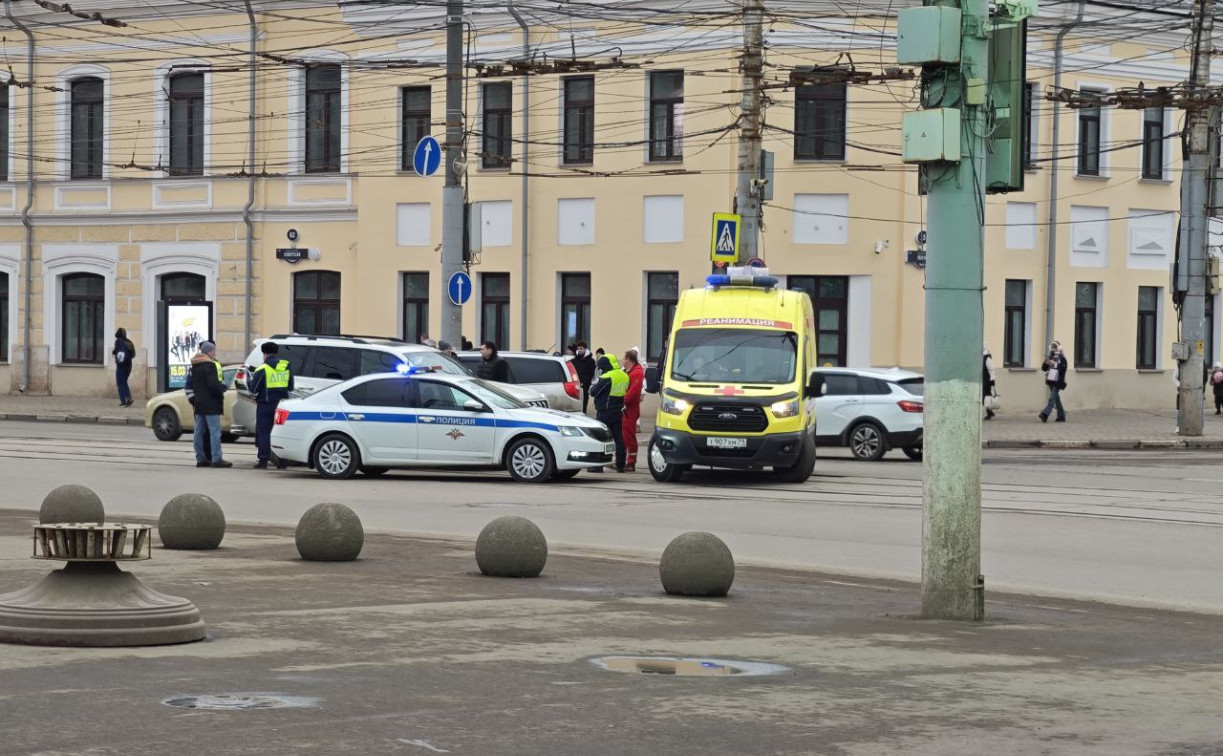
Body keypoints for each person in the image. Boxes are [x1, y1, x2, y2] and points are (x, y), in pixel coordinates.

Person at [246, 341, 294, 469]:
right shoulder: (286, 365)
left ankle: (263, 461)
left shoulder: (262, 368)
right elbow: (291, 386)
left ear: (264, 353)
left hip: (266, 405)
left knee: (264, 432)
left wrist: (252, 388)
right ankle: (282, 461)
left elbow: (254, 389)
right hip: (283, 404)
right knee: (280, 432)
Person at [188, 341, 231, 468]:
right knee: (214, 431)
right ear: (209, 352)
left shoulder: (195, 366)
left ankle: (200, 458)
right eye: (213, 350)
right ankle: (216, 458)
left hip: (199, 402)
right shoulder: (209, 365)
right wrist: (221, 389)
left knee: (198, 431)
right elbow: (212, 384)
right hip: (211, 403)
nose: (215, 352)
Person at [590, 353, 629, 473]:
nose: (600, 370)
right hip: (618, 410)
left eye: (601, 367)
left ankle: (598, 466)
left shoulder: (607, 377)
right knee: (618, 438)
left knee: (601, 438)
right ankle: (621, 465)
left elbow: (594, 392)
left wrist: (594, 385)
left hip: (604, 411)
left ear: (605, 365)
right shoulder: (624, 375)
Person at [622, 349, 644, 472]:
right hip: (627, 408)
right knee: (625, 435)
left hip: (629, 408)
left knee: (629, 435)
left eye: (624, 359)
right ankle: (626, 459)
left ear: (629, 360)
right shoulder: (631, 372)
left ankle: (631, 462)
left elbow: (633, 392)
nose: (623, 362)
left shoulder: (636, 373)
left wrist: (623, 401)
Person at [1039, 341, 1068, 423]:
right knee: (1056, 399)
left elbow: (1062, 370)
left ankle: (1044, 414)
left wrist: (1054, 365)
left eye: (1054, 347)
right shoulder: (1050, 357)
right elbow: (1044, 369)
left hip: (1058, 382)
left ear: (1059, 348)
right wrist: (1046, 363)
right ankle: (1061, 416)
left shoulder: (1062, 358)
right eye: (1052, 347)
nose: (1053, 349)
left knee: (1052, 399)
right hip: (1051, 380)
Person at [112, 328, 135, 407]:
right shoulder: (129, 342)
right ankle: (128, 397)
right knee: (124, 382)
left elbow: (116, 352)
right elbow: (133, 355)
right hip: (129, 365)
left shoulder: (118, 341)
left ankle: (123, 400)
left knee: (120, 383)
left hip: (121, 366)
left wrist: (114, 352)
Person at [572, 342, 596, 414]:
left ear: (585, 349)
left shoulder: (590, 361)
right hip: (575, 383)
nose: (579, 350)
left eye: (581, 348)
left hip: (585, 384)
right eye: (578, 348)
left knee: (584, 399)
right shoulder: (574, 360)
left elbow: (592, 373)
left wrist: (586, 381)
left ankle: (583, 412)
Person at [982, 345, 997, 420]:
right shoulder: (981, 358)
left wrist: (992, 380)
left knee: (986, 397)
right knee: (984, 397)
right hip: (982, 380)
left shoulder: (987, 358)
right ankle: (989, 412)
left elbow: (992, 370)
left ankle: (989, 412)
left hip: (987, 380)